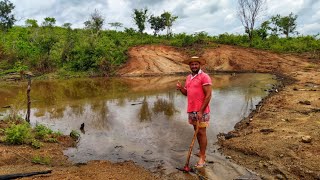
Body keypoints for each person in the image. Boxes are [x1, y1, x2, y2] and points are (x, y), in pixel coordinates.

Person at [176, 56, 212, 168]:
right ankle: (201, 152)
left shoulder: (204, 77)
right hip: (191, 110)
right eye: (192, 64)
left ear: (199, 65)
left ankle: (202, 157)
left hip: (202, 110)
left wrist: (201, 111)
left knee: (202, 132)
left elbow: (208, 95)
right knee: (196, 132)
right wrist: (181, 88)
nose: (194, 66)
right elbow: (187, 93)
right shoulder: (189, 77)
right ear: (189, 66)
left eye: (196, 64)